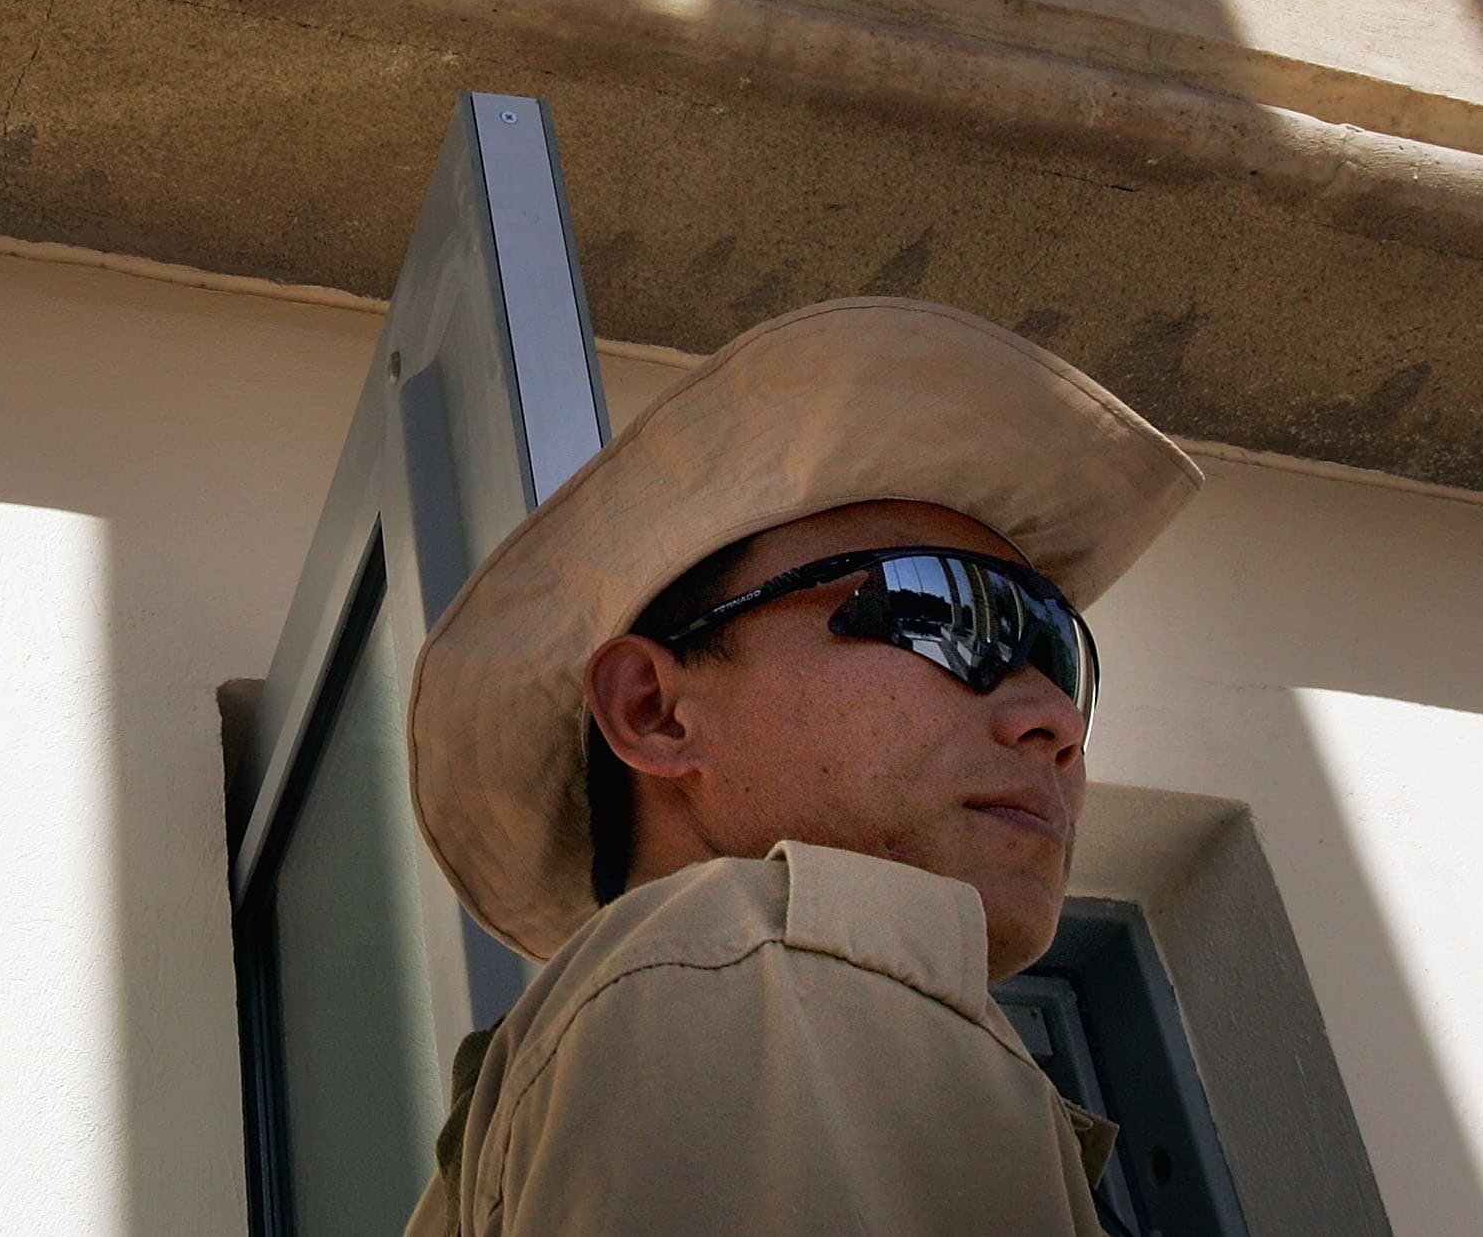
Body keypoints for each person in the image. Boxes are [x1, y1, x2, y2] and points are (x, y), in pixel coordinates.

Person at [403, 297, 1204, 1237]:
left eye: (1057, 652)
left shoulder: (671, 1021)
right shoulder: (748, 953)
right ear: (654, 712)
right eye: (940, 611)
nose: (1057, 721)